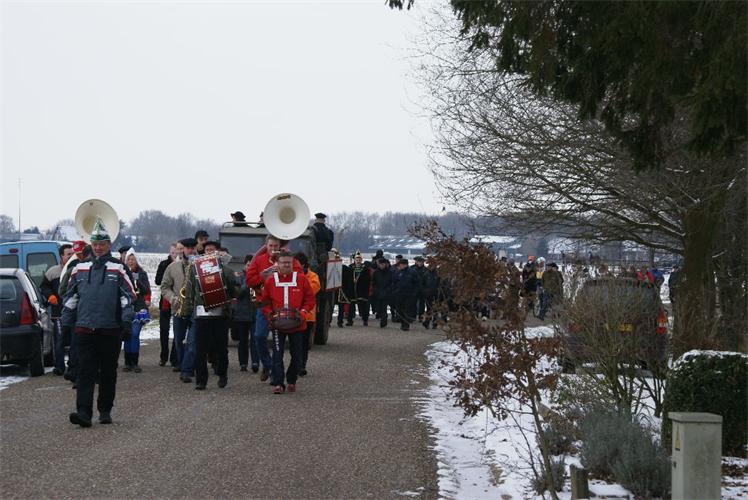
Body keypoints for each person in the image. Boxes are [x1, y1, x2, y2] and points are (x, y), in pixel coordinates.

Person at [61, 217, 136, 427]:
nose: (98, 248)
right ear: (91, 244)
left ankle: (105, 410)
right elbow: (71, 297)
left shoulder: (119, 268)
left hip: (110, 330)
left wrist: (126, 322)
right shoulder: (79, 268)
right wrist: (66, 324)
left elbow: (128, 297)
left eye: (102, 244)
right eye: (95, 244)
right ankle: (84, 413)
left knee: (108, 372)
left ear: (108, 244)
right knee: (85, 372)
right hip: (84, 329)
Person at [245, 235, 304, 381]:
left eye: (276, 246)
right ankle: (268, 364)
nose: (273, 249)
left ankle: (278, 374)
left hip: (284, 306)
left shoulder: (290, 260)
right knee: (259, 336)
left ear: (280, 246)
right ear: (266, 246)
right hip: (265, 304)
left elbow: (300, 277)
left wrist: (285, 269)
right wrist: (264, 275)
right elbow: (249, 281)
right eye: (270, 246)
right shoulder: (259, 260)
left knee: (281, 344)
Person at [180, 242, 236, 390]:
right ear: (203, 252)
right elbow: (190, 290)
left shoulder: (225, 269)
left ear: (218, 252)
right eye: (207, 250)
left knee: (221, 349)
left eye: (213, 250)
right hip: (201, 315)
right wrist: (187, 310)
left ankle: (222, 374)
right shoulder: (195, 269)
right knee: (200, 349)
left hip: (220, 315)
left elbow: (232, 289)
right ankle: (201, 380)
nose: (210, 252)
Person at [260, 251, 316, 394]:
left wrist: (303, 312)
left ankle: (291, 379)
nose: (286, 265)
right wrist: (269, 315)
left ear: (293, 264)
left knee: (297, 356)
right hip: (277, 325)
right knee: (277, 355)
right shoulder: (270, 281)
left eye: (289, 263)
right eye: (283, 262)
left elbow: (310, 299)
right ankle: (278, 383)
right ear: (277, 264)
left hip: (297, 325)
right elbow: (265, 302)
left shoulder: (302, 279)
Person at [161, 238, 198, 383]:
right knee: (179, 341)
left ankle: (187, 370)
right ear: (183, 250)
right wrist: (172, 298)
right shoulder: (172, 267)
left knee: (192, 342)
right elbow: (164, 287)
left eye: (192, 248)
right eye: (187, 248)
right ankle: (185, 366)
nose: (190, 250)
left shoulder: (201, 266)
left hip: (196, 309)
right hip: (178, 308)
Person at [58, 240, 91, 385]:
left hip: (81, 314)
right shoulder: (74, 269)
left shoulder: (73, 268)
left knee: (78, 344)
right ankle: (76, 373)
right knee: (79, 345)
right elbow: (63, 291)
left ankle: (76, 372)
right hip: (79, 314)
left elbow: (62, 292)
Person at [40, 243, 74, 375]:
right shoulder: (52, 271)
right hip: (58, 313)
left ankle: (73, 366)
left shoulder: (77, 269)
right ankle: (59, 366)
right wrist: (50, 295)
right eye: (68, 254)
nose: (71, 256)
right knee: (59, 340)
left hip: (74, 313)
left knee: (74, 341)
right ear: (61, 256)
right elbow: (44, 286)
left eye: (72, 254)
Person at [122, 248, 151, 373]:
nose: (131, 261)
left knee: (134, 334)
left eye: (133, 259)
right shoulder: (122, 273)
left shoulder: (142, 273)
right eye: (129, 259)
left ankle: (134, 362)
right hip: (126, 307)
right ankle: (127, 362)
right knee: (127, 334)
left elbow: (146, 290)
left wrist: (137, 281)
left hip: (139, 307)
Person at [294, 252, 320, 376]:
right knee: (296, 343)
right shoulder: (291, 276)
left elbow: (312, 290)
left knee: (304, 343)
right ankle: (296, 364)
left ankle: (301, 365)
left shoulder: (313, 276)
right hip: (293, 314)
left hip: (307, 315)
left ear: (303, 265)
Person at [155, 242, 179, 367]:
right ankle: (163, 356)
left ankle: (174, 357)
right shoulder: (164, 264)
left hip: (178, 300)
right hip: (165, 300)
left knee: (177, 329)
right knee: (164, 330)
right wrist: (168, 275)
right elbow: (157, 281)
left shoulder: (181, 265)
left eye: (176, 252)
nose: (174, 254)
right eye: (172, 252)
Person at [233, 255, 258, 373]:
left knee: (255, 339)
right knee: (243, 340)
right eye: (248, 265)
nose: (250, 267)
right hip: (242, 314)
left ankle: (255, 362)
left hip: (254, 313)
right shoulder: (239, 278)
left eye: (252, 265)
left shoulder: (258, 278)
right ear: (245, 265)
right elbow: (237, 293)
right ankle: (243, 363)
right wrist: (248, 283)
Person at [391, 258, 419, 331]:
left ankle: (406, 325)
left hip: (409, 295)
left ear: (405, 265)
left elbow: (417, 284)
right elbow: (394, 283)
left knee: (407, 310)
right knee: (399, 310)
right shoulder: (398, 272)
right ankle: (403, 323)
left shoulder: (412, 272)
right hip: (399, 294)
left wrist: (414, 293)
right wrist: (394, 291)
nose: (400, 266)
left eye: (401, 265)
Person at [344, 251, 371, 326]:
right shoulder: (351, 268)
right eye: (357, 260)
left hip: (361, 290)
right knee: (351, 307)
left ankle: (365, 320)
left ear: (361, 260)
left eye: (359, 260)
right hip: (352, 290)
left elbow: (368, 280)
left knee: (363, 307)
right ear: (354, 260)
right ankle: (350, 321)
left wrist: (360, 280)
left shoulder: (365, 269)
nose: (358, 261)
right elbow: (347, 278)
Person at [371, 257, 392, 328]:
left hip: (386, 292)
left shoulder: (390, 272)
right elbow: (373, 283)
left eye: (383, 264)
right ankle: (381, 317)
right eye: (380, 264)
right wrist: (375, 290)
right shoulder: (376, 272)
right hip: (378, 292)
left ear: (385, 264)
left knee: (384, 308)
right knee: (378, 308)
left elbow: (392, 283)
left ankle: (383, 321)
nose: (382, 265)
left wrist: (389, 290)